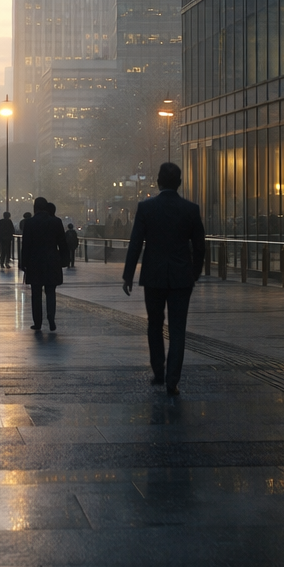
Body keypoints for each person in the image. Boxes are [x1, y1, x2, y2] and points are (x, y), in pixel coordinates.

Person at [122, 162, 206, 394]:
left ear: (158, 182)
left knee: (154, 323)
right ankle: (172, 380)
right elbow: (200, 245)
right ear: (179, 183)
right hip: (181, 276)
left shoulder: (146, 208)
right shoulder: (190, 209)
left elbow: (136, 243)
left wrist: (128, 275)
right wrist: (195, 272)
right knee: (178, 329)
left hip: (154, 275)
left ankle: (158, 370)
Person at [20, 197, 67, 331]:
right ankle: (51, 315)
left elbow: (26, 245)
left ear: (35, 207)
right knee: (51, 290)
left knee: (36, 293)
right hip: (52, 260)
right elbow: (62, 243)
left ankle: (38, 322)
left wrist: (23, 263)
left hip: (34, 261)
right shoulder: (56, 222)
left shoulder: (30, 223)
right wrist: (64, 260)